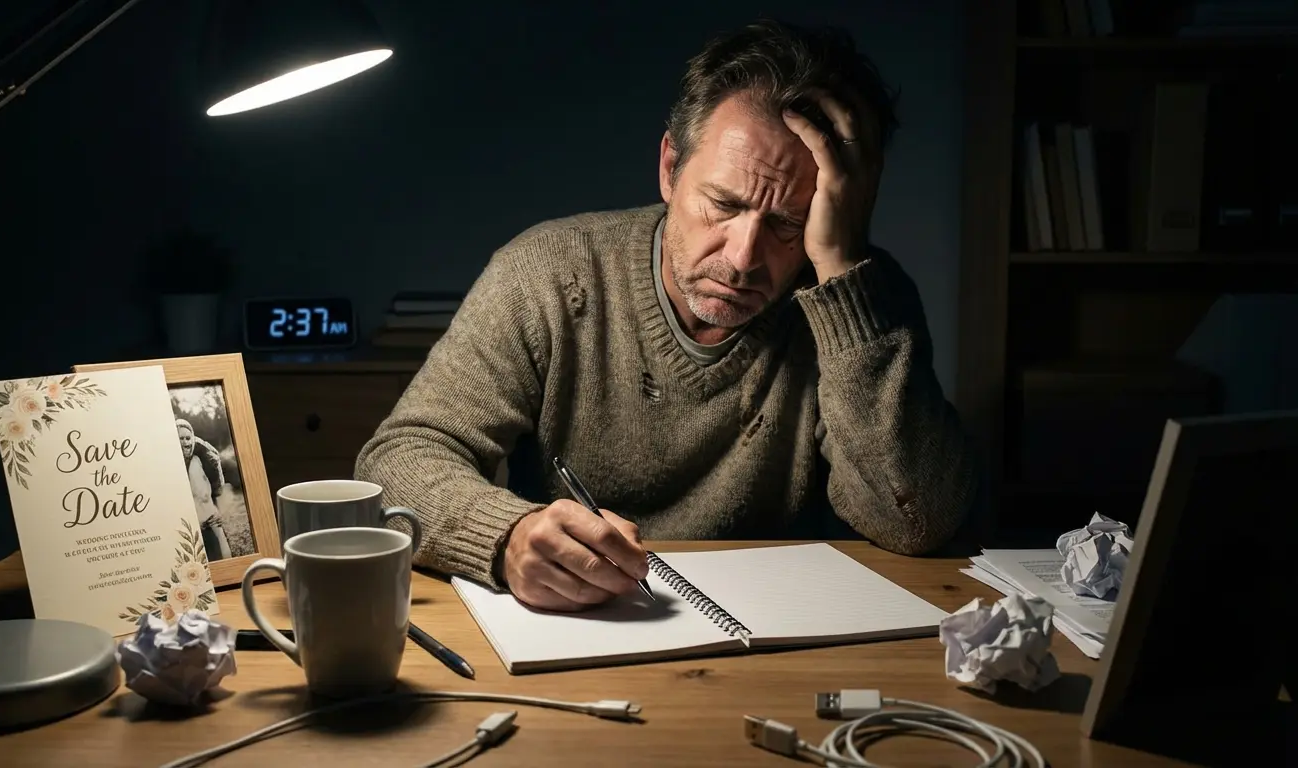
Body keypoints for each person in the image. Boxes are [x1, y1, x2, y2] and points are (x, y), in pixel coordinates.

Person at [357, 19, 975, 612]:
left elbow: (917, 521)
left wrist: (841, 266)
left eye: (789, 223)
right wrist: (507, 535)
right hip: (576, 628)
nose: (742, 259)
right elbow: (398, 459)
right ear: (669, 168)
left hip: (778, 644)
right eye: (722, 204)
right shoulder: (547, 272)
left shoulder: (863, 299)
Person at [178, 418, 231, 562]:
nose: (185, 442)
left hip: (208, 510)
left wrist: (218, 511)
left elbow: (217, 487)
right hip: (191, 518)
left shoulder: (200, 457)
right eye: (180, 439)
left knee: (220, 543)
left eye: (188, 438)